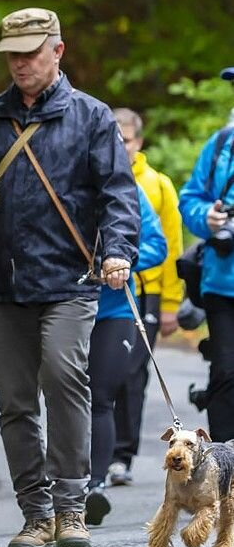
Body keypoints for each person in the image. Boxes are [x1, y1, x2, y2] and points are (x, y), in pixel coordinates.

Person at [0, 7, 139, 547]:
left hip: (69, 278)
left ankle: (72, 505)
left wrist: (117, 250)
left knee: (65, 376)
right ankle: (35, 514)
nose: (21, 63)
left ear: (57, 51)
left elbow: (118, 193)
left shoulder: (92, 117)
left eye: (31, 52)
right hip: (1, 282)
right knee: (14, 400)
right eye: (13, 55)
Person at [108, 108, 184, 487]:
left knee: (133, 373)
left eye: (127, 139)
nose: (121, 146)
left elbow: (170, 246)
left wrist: (170, 303)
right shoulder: (98, 176)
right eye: (115, 138)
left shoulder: (157, 185)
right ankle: (101, 453)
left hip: (147, 291)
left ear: (139, 142)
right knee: (107, 373)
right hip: (106, 291)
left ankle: (123, 453)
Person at [85, 185, 166, 526]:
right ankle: (64, 482)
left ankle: (94, 486)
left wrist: (121, 260)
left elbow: (157, 245)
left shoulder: (126, 189)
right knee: (64, 394)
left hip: (114, 309)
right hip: (60, 302)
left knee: (101, 395)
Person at [178, 66, 234, 442]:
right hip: (222, 282)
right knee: (226, 372)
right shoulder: (220, 145)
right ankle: (227, 473)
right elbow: (191, 199)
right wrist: (208, 219)